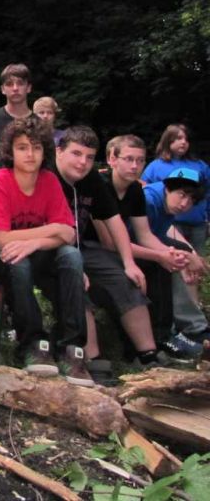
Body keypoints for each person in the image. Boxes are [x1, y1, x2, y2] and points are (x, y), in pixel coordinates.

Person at [0, 117, 91, 386]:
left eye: (36, 148)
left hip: (39, 253)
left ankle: (72, 347)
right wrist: (49, 229)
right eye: (22, 148)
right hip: (1, 257)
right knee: (17, 259)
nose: (30, 154)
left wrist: (35, 242)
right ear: (10, 151)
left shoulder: (49, 180)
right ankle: (32, 342)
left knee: (72, 256)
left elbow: (68, 234)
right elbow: (3, 239)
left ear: (45, 151)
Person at [54, 127, 161, 375]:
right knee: (75, 281)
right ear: (59, 152)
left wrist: (129, 262)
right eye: (76, 154)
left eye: (90, 157)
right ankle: (92, 358)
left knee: (124, 278)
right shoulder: (48, 177)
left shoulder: (91, 180)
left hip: (85, 247)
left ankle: (148, 354)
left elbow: (114, 222)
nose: (83, 163)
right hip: (53, 248)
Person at [97, 136, 203, 363]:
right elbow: (110, 242)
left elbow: (145, 234)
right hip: (98, 251)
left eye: (140, 160)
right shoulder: (103, 187)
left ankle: (165, 335)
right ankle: (143, 346)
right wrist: (162, 255)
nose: (135, 166)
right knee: (138, 274)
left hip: (124, 249)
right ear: (111, 159)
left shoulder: (135, 190)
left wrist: (173, 255)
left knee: (165, 261)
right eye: (129, 159)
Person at [142, 124, 210, 340]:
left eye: (191, 200)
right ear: (167, 188)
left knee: (181, 260)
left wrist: (188, 252)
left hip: (179, 231)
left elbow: (164, 232)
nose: (185, 203)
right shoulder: (150, 198)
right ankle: (162, 335)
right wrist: (177, 255)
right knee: (166, 265)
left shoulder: (197, 167)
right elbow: (139, 237)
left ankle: (188, 326)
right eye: (181, 195)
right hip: (125, 247)